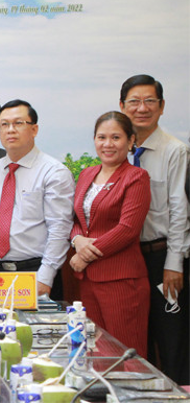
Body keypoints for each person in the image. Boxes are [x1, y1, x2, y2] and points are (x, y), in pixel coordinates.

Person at [119, 74, 189, 384]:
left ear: (161, 107)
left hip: (162, 259)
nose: (142, 108)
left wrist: (174, 264)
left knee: (171, 341)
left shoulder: (175, 150)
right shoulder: (118, 149)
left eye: (150, 101)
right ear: (122, 106)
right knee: (136, 338)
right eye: (134, 101)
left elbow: (179, 210)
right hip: (128, 259)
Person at [69, 111, 151, 357]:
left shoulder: (136, 177)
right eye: (101, 137)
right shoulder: (86, 174)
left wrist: (84, 256)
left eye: (116, 137)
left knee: (125, 355)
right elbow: (77, 219)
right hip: (87, 282)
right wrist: (76, 239)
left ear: (130, 141)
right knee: (95, 351)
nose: (108, 144)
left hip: (121, 281)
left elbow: (127, 229)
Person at [0, 100, 74, 301]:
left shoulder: (53, 172)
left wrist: (46, 276)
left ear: (34, 129)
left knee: (35, 332)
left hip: (36, 272)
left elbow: (60, 229)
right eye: (4, 125)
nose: (10, 130)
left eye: (18, 123)